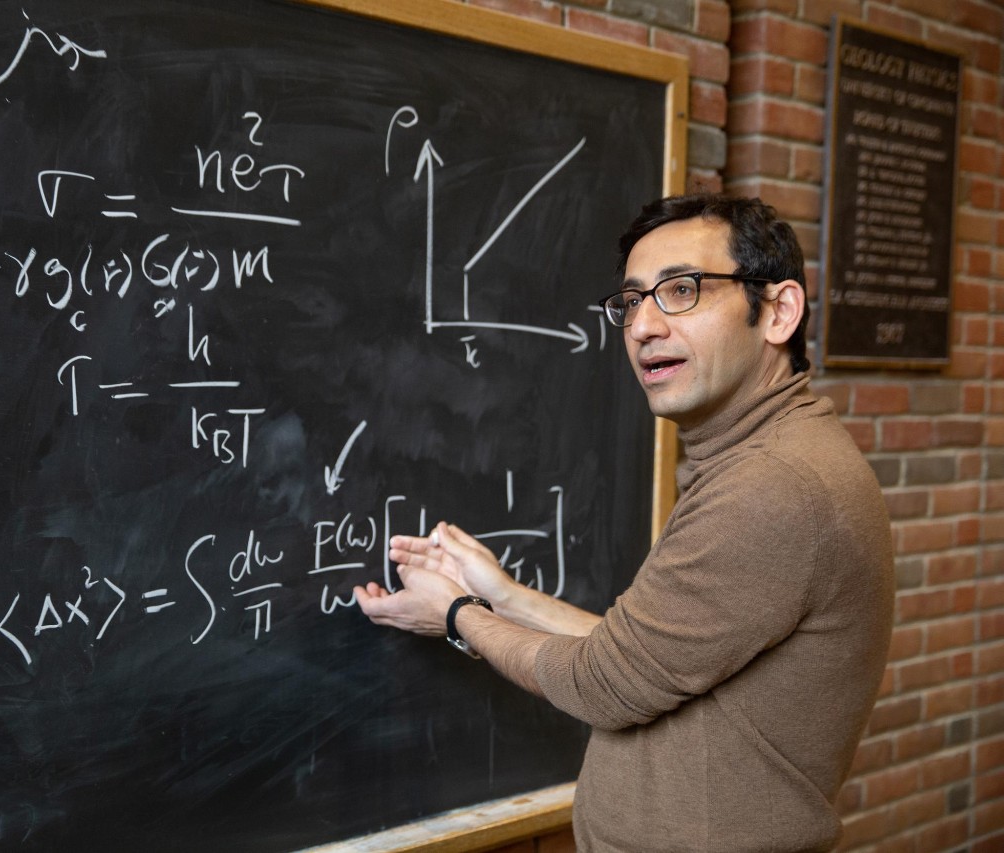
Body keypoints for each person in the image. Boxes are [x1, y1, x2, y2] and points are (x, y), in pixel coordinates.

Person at [354, 193, 894, 852]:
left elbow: (603, 685)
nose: (642, 327)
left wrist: (457, 613)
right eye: (632, 301)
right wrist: (501, 593)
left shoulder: (774, 486)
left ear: (778, 311)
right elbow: (637, 657)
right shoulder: (762, 458)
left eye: (682, 290)